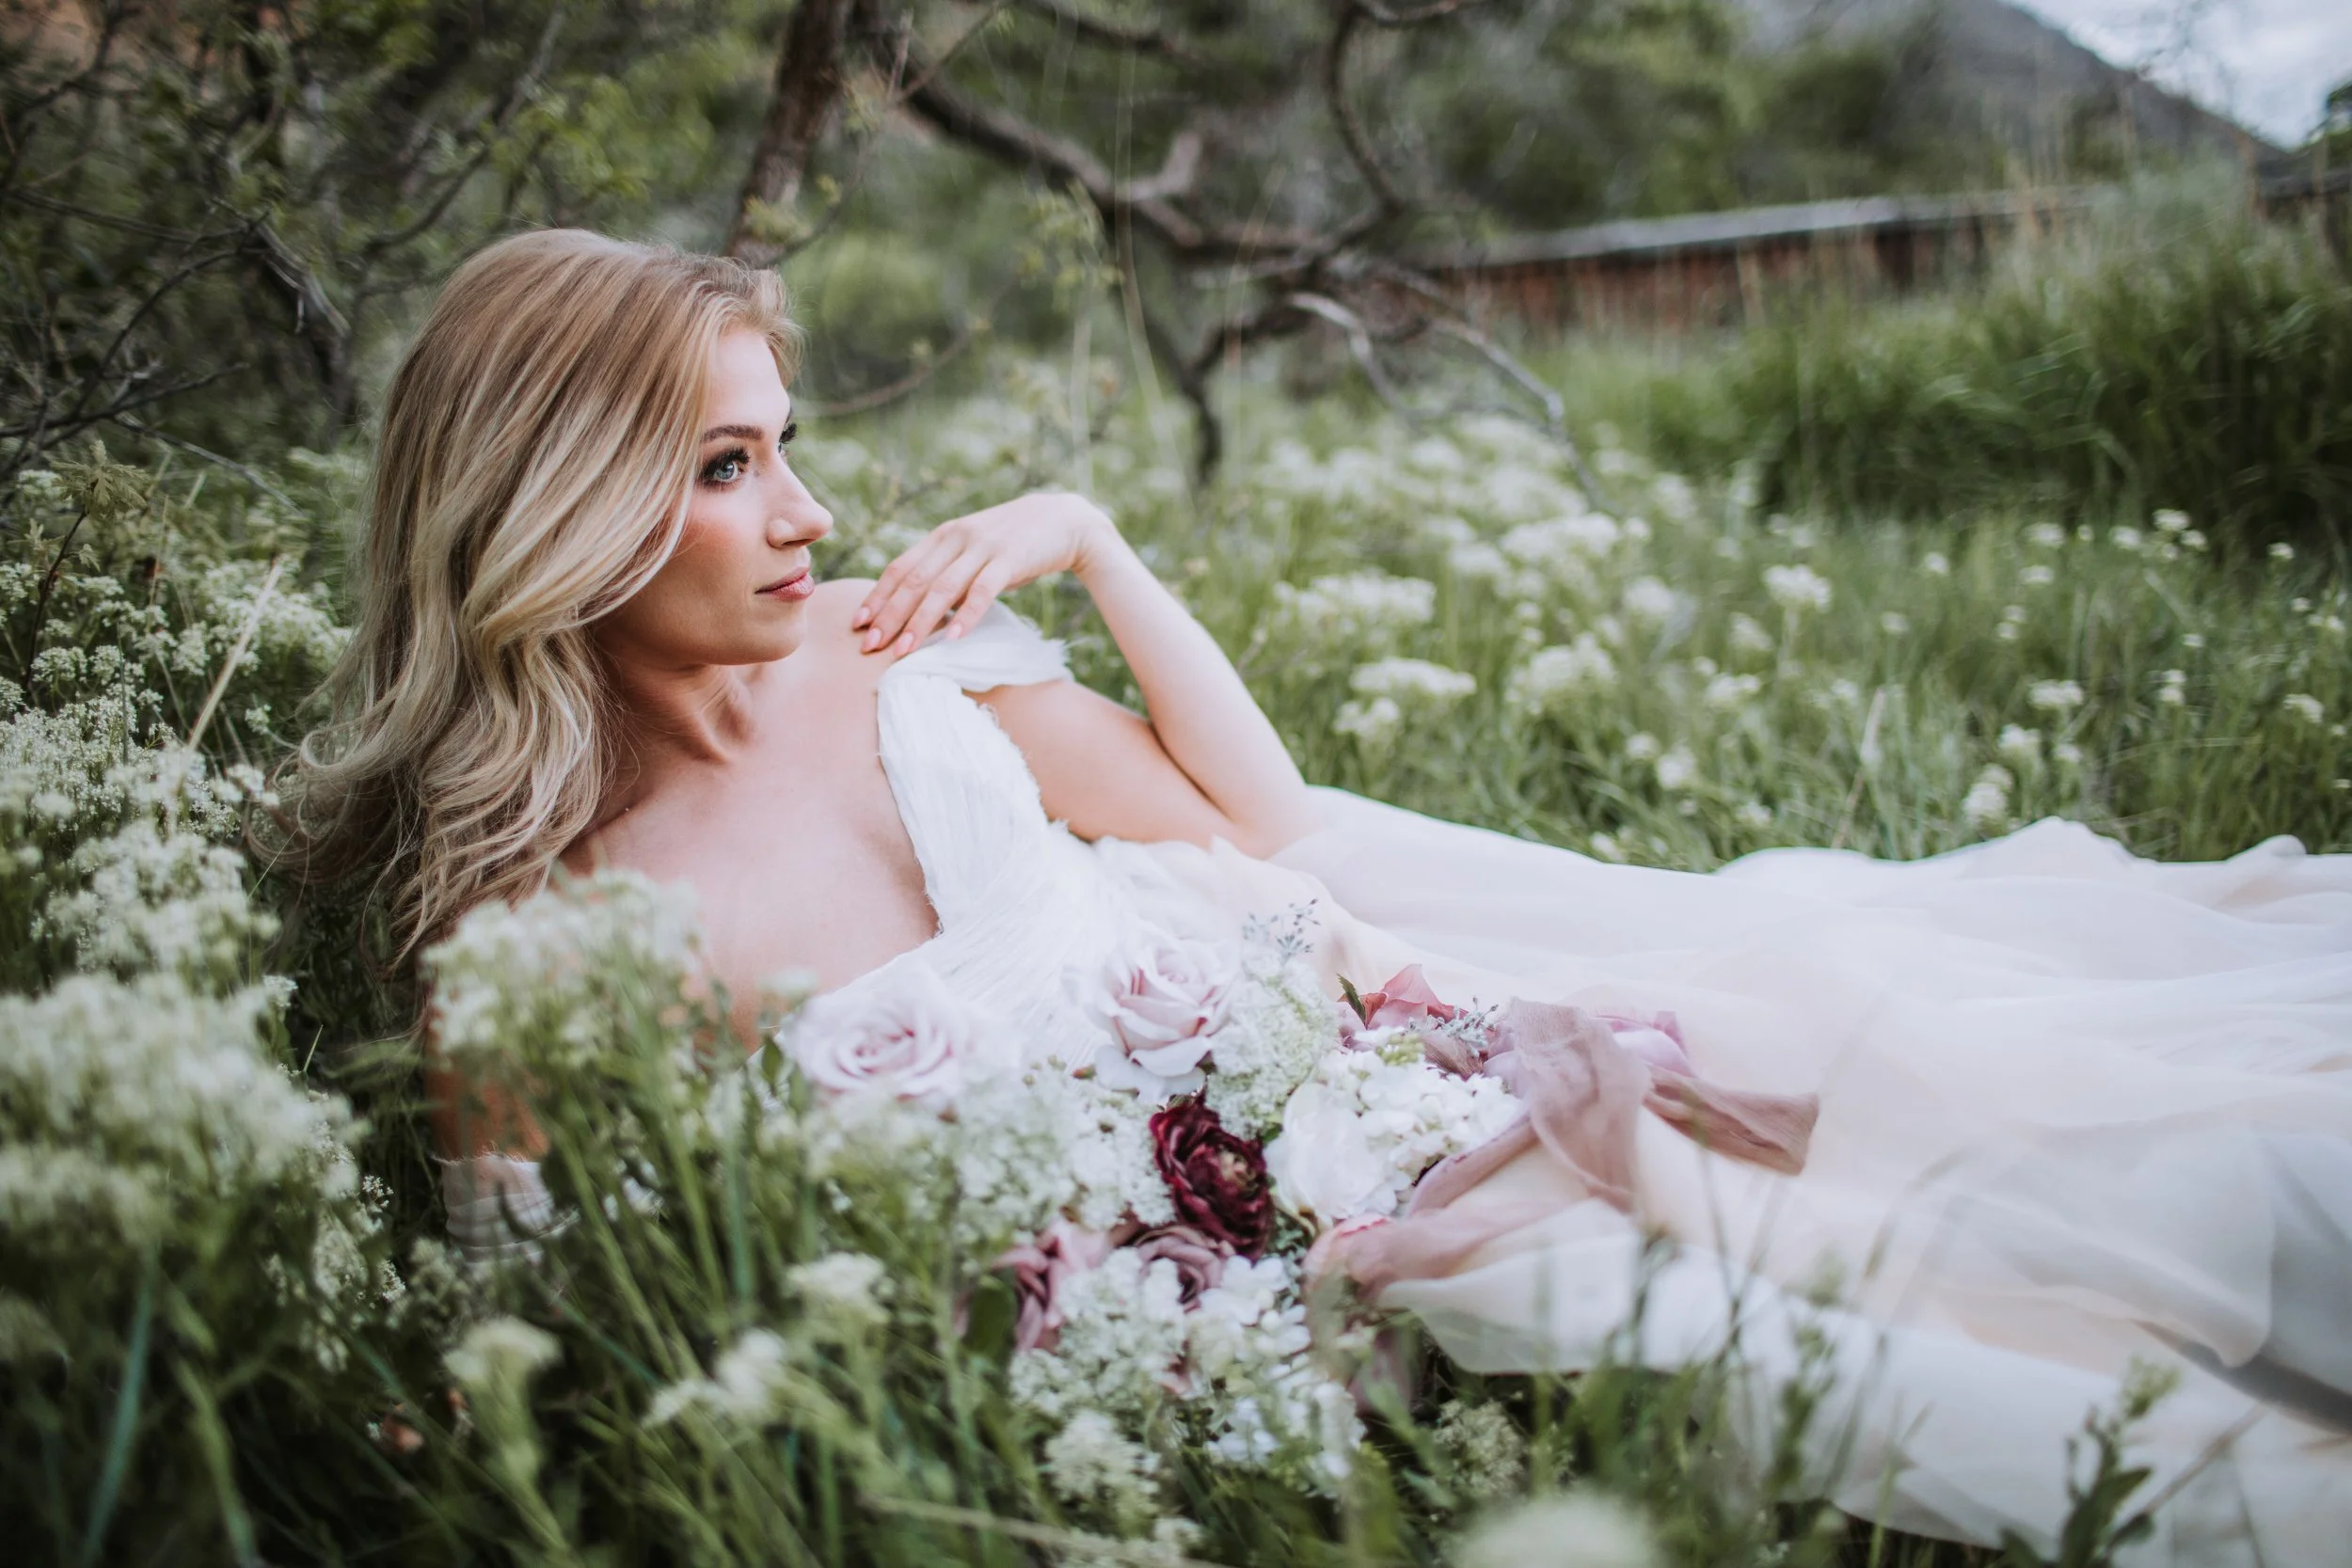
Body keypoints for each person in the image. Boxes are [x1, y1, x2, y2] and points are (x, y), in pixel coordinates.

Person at [280, 230, 2352, 1562]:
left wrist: (1090, 537)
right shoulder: (531, 925)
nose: (806, 511)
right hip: (1195, 1315)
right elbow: (547, 1309)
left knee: (1935, 1194)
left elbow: (1255, 826)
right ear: (550, 499)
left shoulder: (896, 660)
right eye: (723, 465)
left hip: (1365, 1068)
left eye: (784, 445)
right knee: (1760, 1357)